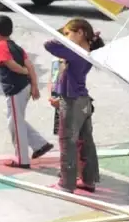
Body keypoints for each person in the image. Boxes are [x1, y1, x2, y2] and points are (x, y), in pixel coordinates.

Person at [44, 18, 103, 194]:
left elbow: (49, 44)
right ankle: (88, 179)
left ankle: (66, 183)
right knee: (85, 142)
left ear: (80, 33)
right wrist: (76, 36)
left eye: (68, 33)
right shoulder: (88, 51)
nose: (65, 36)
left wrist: (65, 37)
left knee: (67, 142)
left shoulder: (76, 52)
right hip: (83, 100)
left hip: (71, 101)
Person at [0, 15, 52, 169]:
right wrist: (34, 85)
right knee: (16, 121)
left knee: (15, 123)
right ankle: (40, 144)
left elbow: (10, 64)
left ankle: (22, 159)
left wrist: (24, 72)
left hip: (16, 88)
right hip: (25, 87)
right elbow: (30, 65)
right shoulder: (16, 47)